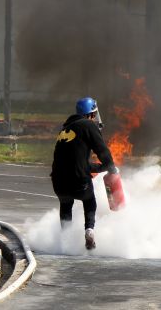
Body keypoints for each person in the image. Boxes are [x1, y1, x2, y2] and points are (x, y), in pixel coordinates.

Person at [51, 97, 119, 250]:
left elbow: (77, 162)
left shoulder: (65, 129)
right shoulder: (88, 125)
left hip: (58, 180)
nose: (94, 118)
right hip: (78, 179)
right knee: (89, 201)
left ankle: (65, 240)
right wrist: (110, 166)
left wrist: (100, 168)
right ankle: (89, 230)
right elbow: (102, 150)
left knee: (66, 203)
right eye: (94, 114)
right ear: (90, 114)